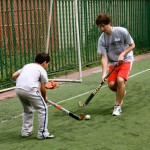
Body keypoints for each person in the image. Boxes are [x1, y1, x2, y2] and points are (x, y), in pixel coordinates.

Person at [95, 13, 135, 116]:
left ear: (109, 23)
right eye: (100, 26)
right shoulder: (102, 39)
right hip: (113, 63)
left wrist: (122, 54)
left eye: (103, 25)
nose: (102, 28)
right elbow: (104, 57)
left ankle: (117, 107)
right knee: (112, 85)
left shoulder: (121, 31)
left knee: (120, 80)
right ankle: (121, 91)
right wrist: (104, 74)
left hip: (126, 59)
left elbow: (132, 45)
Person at [12, 52, 54, 139]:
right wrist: (44, 98)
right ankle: (42, 133)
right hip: (30, 89)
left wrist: (23, 83)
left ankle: (25, 132)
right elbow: (43, 89)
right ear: (44, 62)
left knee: (27, 110)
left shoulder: (27, 66)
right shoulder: (42, 70)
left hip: (19, 89)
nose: (47, 66)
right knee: (43, 109)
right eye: (48, 64)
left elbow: (14, 75)